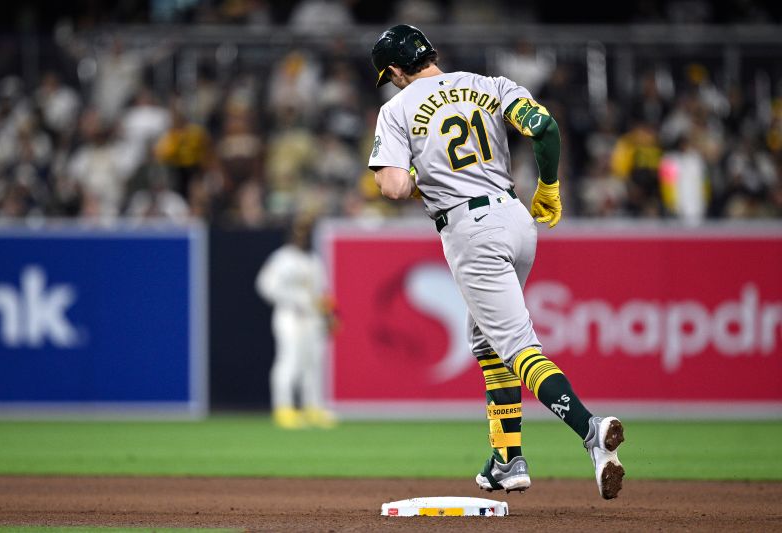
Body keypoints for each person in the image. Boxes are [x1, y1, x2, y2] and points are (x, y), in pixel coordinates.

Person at [368, 24, 626, 499]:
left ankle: (592, 431)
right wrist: (548, 186)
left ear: (398, 69)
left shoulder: (396, 109)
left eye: (391, 74)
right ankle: (507, 461)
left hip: (470, 230)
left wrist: (411, 166)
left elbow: (394, 187)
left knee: (516, 346)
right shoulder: (490, 85)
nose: (394, 81)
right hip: (516, 217)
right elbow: (544, 128)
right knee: (487, 342)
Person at [255, 215, 337, 429]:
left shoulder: (313, 260)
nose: (302, 237)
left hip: (312, 318)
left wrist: (329, 316)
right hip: (289, 315)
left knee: (313, 364)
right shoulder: (282, 258)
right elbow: (265, 285)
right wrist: (291, 299)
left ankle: (313, 407)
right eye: (298, 233)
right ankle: (283, 408)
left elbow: (322, 293)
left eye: (305, 233)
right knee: (289, 361)